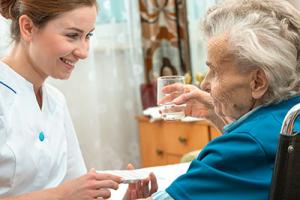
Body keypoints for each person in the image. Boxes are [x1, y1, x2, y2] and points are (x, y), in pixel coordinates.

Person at [130, 0, 300, 199]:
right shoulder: (289, 119)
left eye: (214, 71)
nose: (204, 84)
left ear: (257, 82)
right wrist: (215, 112)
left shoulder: (244, 146)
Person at [0, 0, 157, 199]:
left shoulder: (55, 102)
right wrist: (60, 194)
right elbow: (67, 193)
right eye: (72, 35)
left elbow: (77, 191)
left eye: (88, 36)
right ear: (28, 27)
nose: (83, 52)